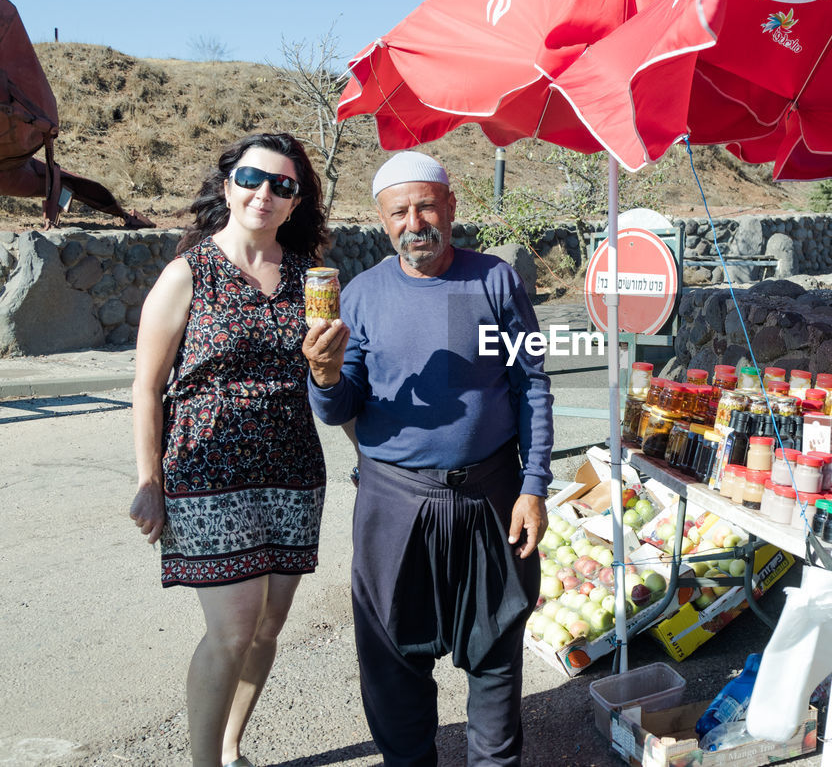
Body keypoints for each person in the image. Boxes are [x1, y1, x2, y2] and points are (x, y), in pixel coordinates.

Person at [303, 150, 552, 767]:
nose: (415, 222)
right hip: (393, 502)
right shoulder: (359, 296)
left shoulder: (496, 281)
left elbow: (533, 385)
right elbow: (339, 408)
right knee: (392, 668)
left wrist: (534, 485)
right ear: (383, 220)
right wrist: (325, 376)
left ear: (450, 207)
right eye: (399, 212)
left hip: (491, 496)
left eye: (426, 206)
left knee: (496, 659)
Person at [128, 133, 329, 767]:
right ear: (228, 185)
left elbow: (330, 378)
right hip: (208, 472)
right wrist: (148, 479)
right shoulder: (187, 272)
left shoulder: (310, 279)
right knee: (234, 628)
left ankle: (234, 742)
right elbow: (147, 386)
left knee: (269, 626)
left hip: (293, 471)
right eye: (252, 178)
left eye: (283, 185)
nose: (264, 193)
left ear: (296, 203)